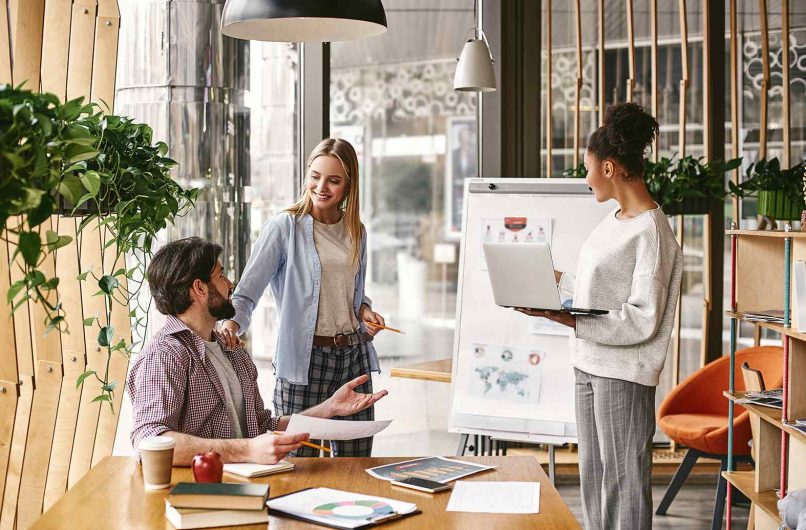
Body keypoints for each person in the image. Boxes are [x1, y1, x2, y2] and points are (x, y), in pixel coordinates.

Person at [516, 103, 683, 530]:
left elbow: (642, 319)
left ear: (608, 168)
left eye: (588, 168)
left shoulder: (652, 232)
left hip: (623, 372)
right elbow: (595, 286)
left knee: (623, 480)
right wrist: (547, 279)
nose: (586, 177)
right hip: (588, 362)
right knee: (594, 476)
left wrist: (570, 321)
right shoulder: (615, 219)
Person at [127, 237, 387, 465]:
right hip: (199, 493)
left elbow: (261, 427)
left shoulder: (231, 350)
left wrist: (328, 408)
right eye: (221, 276)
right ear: (200, 288)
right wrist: (248, 450)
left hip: (244, 486)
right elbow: (149, 440)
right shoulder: (165, 354)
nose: (230, 284)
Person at [220, 138, 386, 457]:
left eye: (333, 180)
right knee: (298, 463)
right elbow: (246, 293)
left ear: (349, 185)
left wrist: (365, 311)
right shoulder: (284, 227)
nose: (321, 187)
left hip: (353, 357)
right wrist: (231, 326)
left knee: (355, 463)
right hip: (304, 361)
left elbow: (354, 295)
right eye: (315, 176)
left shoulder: (357, 231)